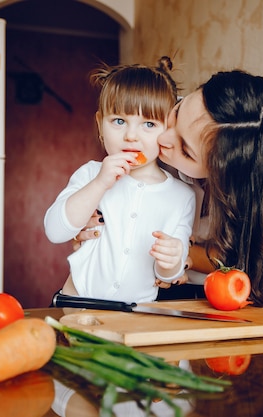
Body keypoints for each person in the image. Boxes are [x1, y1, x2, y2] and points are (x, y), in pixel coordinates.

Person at [75, 69, 263, 308]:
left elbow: (247, 261)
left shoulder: (250, 196)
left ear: (220, 177)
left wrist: (183, 257)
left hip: (200, 297)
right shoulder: (153, 123)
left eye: (186, 151)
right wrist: (84, 222)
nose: (162, 139)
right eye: (177, 113)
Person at [44, 57, 195, 304]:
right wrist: (100, 183)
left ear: (167, 130)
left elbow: (166, 274)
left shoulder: (182, 196)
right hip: (78, 303)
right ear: (100, 125)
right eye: (119, 121)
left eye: (148, 123)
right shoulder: (91, 174)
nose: (131, 136)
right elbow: (54, 231)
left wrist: (173, 259)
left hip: (138, 314)